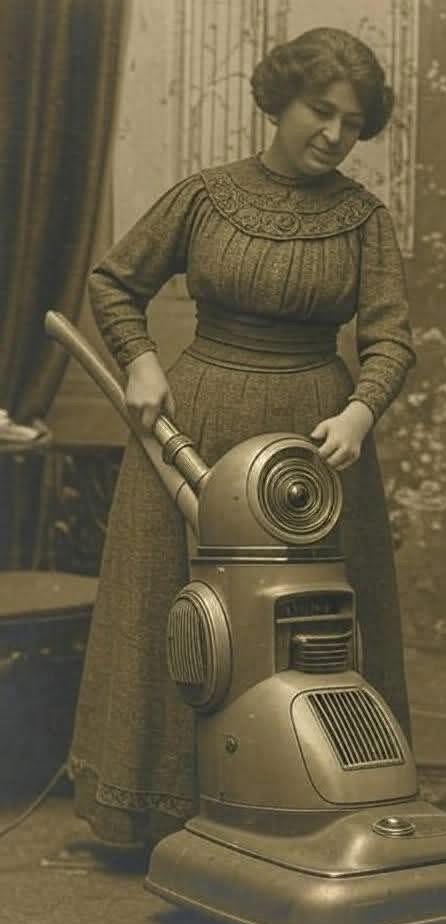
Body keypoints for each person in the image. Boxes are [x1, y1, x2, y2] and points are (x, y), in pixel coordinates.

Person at [68, 27, 415, 847]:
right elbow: (113, 283)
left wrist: (359, 413)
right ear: (280, 101)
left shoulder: (364, 220)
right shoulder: (205, 196)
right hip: (195, 422)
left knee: (305, 627)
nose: (334, 134)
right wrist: (141, 361)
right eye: (319, 110)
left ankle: (308, 812)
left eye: (352, 123)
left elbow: (392, 340)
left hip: (312, 449)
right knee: (179, 612)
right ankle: (159, 813)